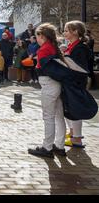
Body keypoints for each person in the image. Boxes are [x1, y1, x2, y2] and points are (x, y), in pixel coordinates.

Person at [28, 23, 66, 159]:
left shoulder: (44, 49)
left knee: (48, 117)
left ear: (42, 36)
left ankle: (47, 147)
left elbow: (43, 67)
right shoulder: (53, 47)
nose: (36, 39)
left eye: (37, 36)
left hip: (48, 84)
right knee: (58, 117)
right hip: (56, 84)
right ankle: (59, 145)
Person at [63, 21, 91, 149]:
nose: (64, 33)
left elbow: (81, 68)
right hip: (70, 82)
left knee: (75, 110)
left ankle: (77, 139)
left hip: (76, 83)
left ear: (75, 32)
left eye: (67, 30)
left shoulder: (80, 48)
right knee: (68, 109)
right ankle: (73, 133)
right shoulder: (71, 46)